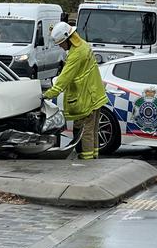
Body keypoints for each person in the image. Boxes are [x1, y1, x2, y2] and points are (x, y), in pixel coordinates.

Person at [43, 22, 108, 160]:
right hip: (95, 95)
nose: (60, 46)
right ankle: (94, 157)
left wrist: (48, 94)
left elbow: (64, 78)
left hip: (86, 99)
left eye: (61, 43)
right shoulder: (83, 45)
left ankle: (87, 160)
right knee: (93, 130)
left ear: (67, 39)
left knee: (86, 132)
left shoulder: (76, 55)